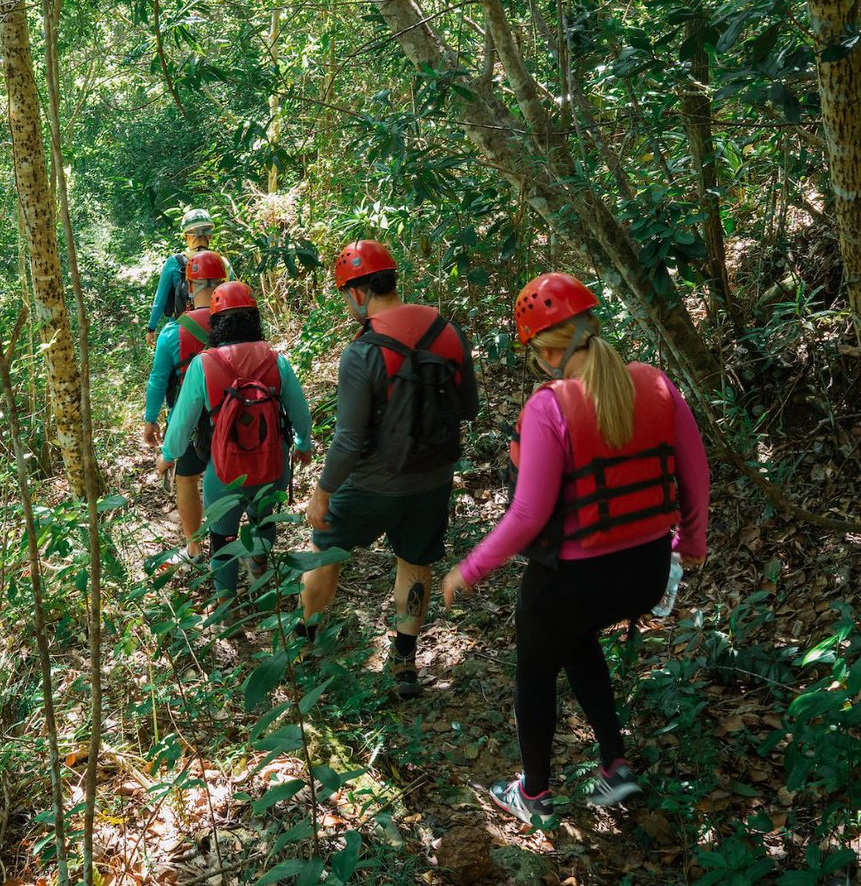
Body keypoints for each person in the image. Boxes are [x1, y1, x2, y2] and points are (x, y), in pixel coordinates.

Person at [443, 272, 709, 823]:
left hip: (575, 580)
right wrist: (692, 543)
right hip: (646, 572)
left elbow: (526, 515)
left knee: (536, 670)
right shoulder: (655, 382)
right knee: (577, 638)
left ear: (546, 351)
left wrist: (468, 570)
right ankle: (615, 765)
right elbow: (696, 475)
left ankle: (532, 794)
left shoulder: (549, 407)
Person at [303, 239, 479, 698]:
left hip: (369, 484)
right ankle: (404, 662)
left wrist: (322, 491)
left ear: (358, 293)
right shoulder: (447, 331)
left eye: (346, 296)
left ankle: (304, 645)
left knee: (325, 550)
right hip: (432, 479)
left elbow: (347, 440)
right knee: (414, 563)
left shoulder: (362, 352)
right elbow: (468, 406)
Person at [156, 281, 313, 601]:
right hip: (272, 463)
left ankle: (226, 603)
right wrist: (303, 445)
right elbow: (300, 412)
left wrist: (168, 454)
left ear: (216, 322)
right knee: (265, 520)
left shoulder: (204, 363)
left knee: (222, 537)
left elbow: (182, 420)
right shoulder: (275, 359)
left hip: (224, 469)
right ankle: (258, 563)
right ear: (254, 318)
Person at [143, 251, 228, 565]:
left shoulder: (172, 331)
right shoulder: (238, 323)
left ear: (188, 287)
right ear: (223, 282)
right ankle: (238, 542)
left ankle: (194, 549)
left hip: (190, 420)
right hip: (233, 414)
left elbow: (158, 379)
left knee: (187, 477)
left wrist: (150, 420)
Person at [145, 209, 229, 346]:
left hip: (181, 329)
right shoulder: (222, 262)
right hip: (218, 329)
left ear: (188, 236)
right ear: (210, 235)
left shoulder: (174, 262)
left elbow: (160, 300)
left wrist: (151, 328)